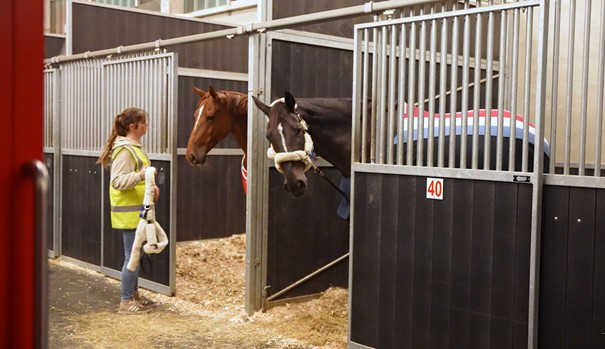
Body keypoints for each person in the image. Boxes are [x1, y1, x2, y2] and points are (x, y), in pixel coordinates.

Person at [97, 107, 160, 315]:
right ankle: (125, 302)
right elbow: (117, 181)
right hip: (129, 213)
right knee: (131, 257)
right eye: (144, 122)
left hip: (137, 212)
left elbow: (136, 177)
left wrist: (150, 186)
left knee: (136, 256)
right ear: (133, 126)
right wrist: (142, 176)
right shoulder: (125, 150)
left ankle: (133, 297)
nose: (146, 126)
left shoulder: (134, 147)